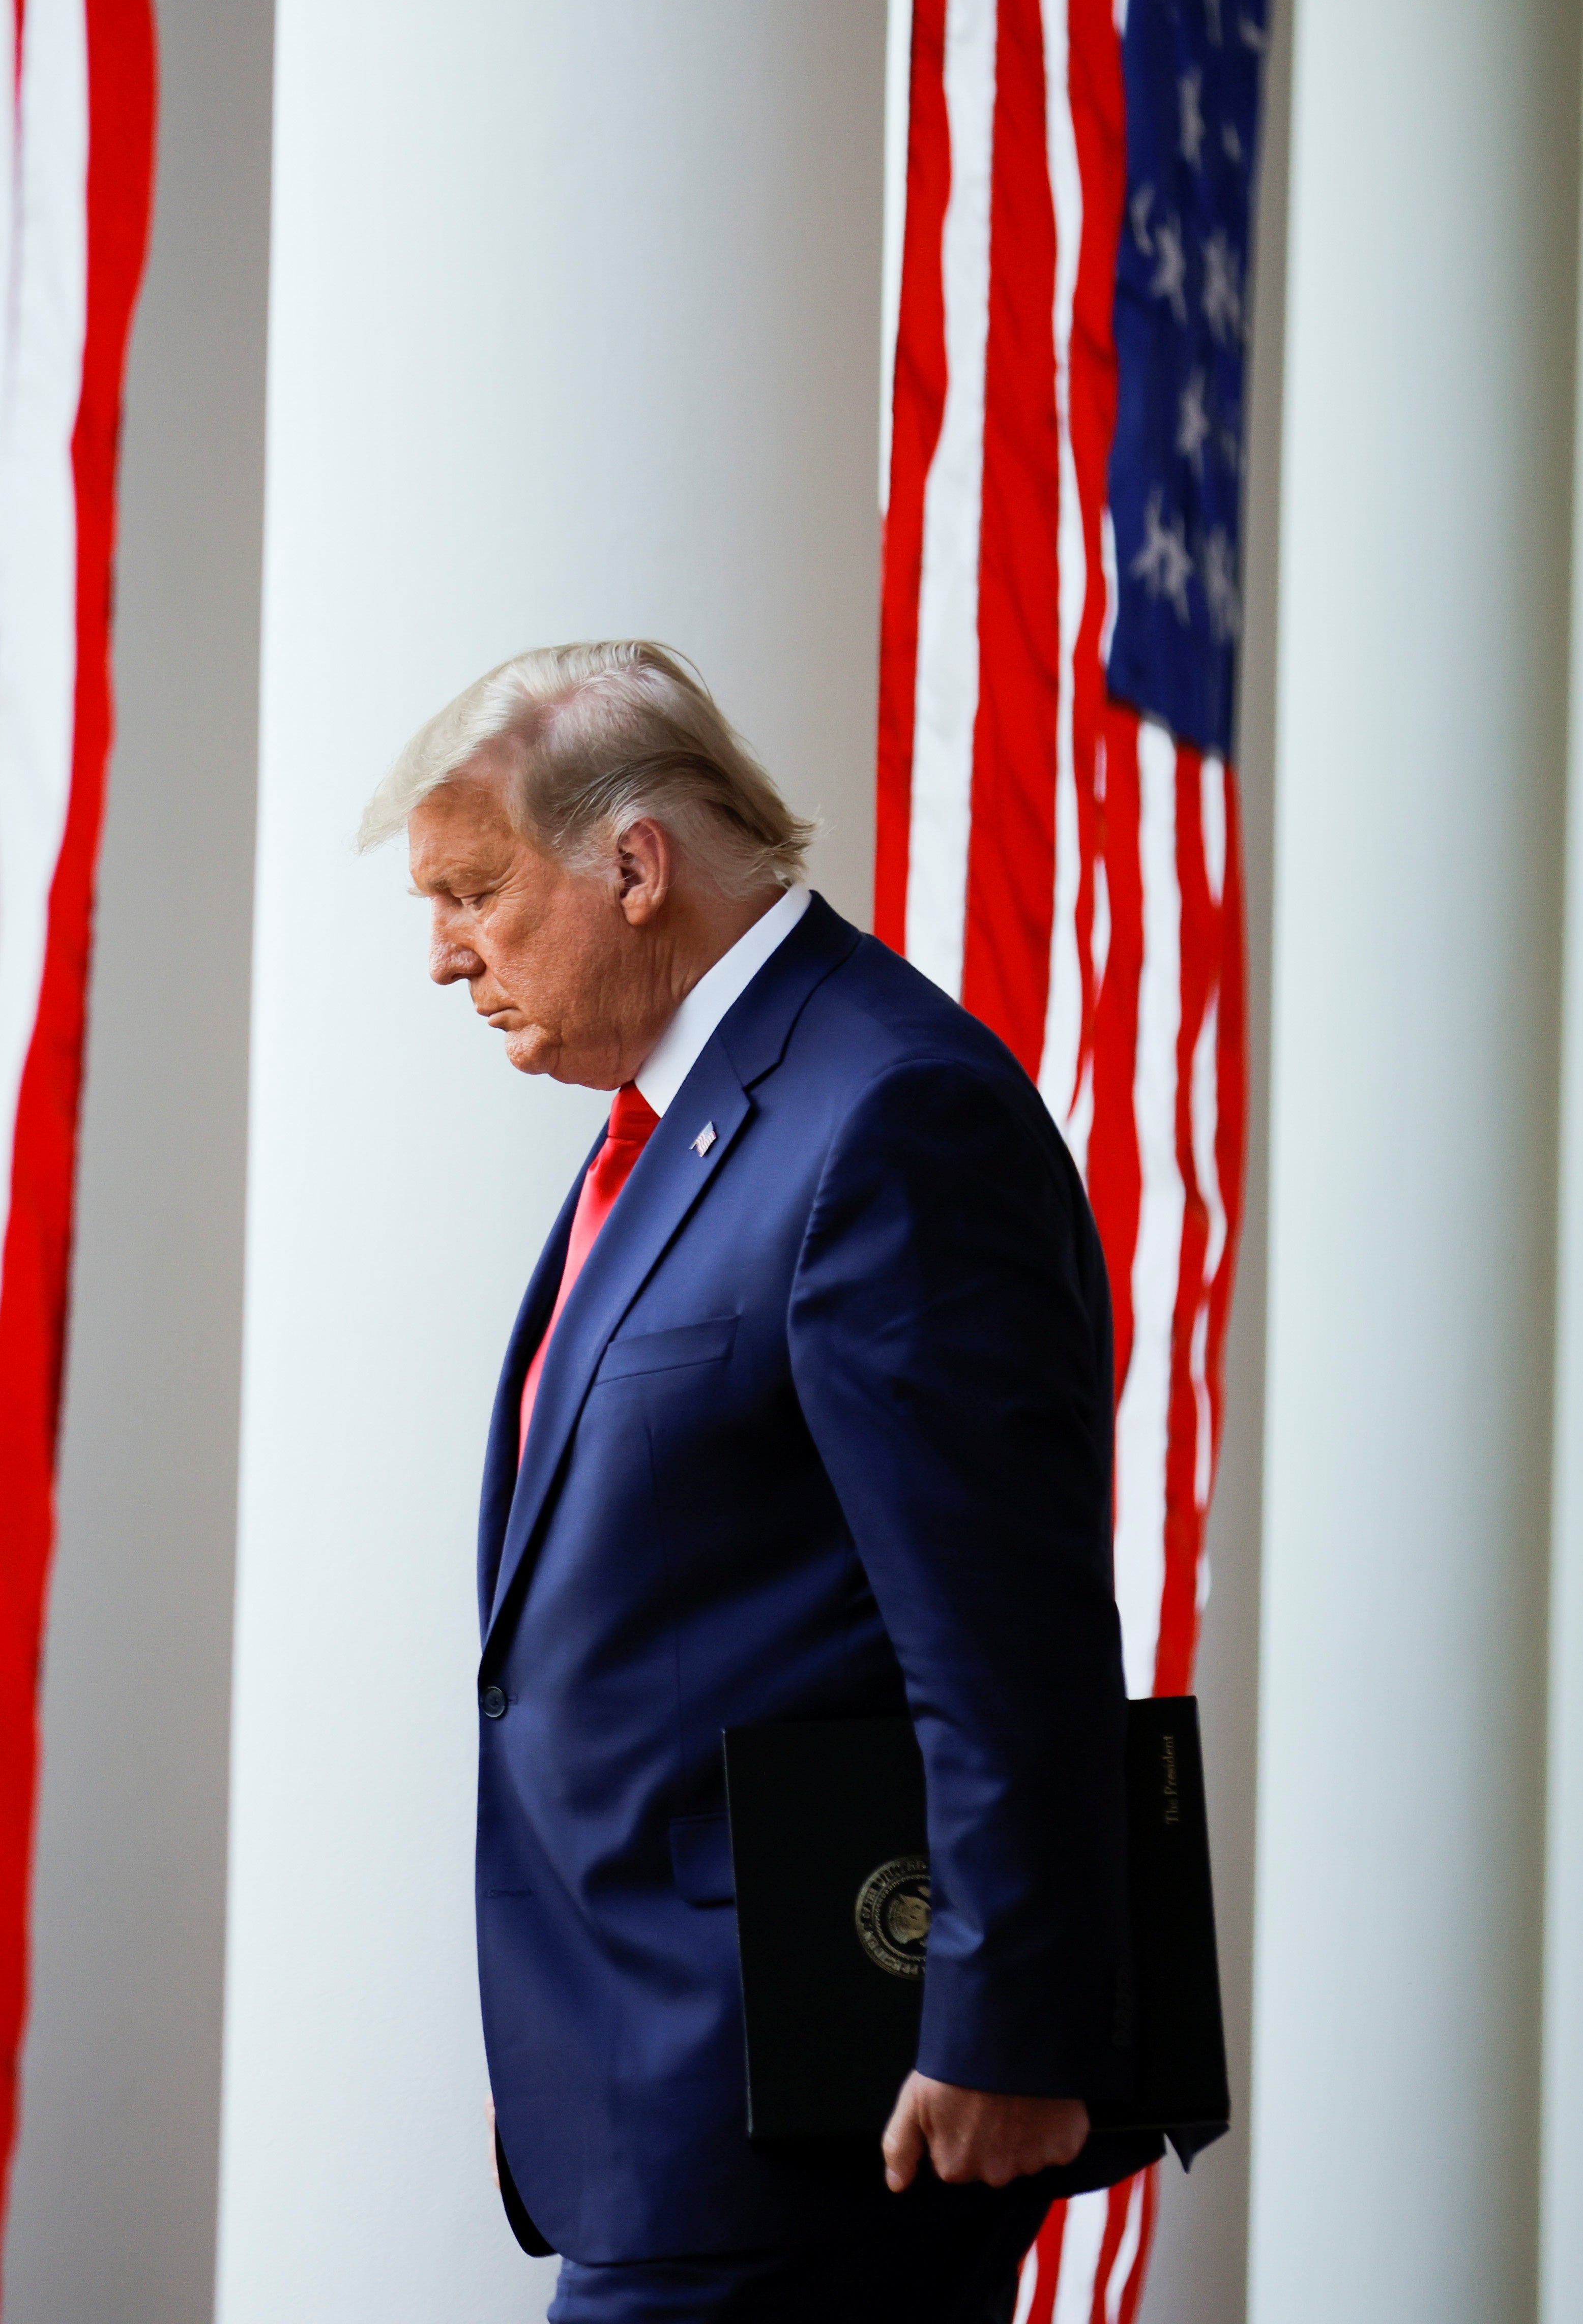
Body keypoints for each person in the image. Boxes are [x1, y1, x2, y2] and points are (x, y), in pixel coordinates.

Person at [364, 640, 1151, 2324]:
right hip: (678, 2098)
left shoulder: (889, 1115)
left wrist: (1003, 2025)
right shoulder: (701, 1112)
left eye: (475, 892)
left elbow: (1002, 1628)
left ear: (635, 865)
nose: (446, 957)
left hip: (827, 2114)